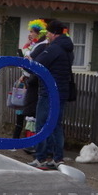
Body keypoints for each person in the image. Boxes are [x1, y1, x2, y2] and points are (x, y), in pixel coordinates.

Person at [31, 20, 74, 169]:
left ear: (54, 33)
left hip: (49, 91)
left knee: (42, 124)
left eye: (49, 32)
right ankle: (57, 158)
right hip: (61, 91)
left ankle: (41, 157)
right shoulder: (67, 48)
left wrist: (30, 60)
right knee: (56, 125)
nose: (47, 35)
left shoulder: (55, 48)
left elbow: (37, 65)